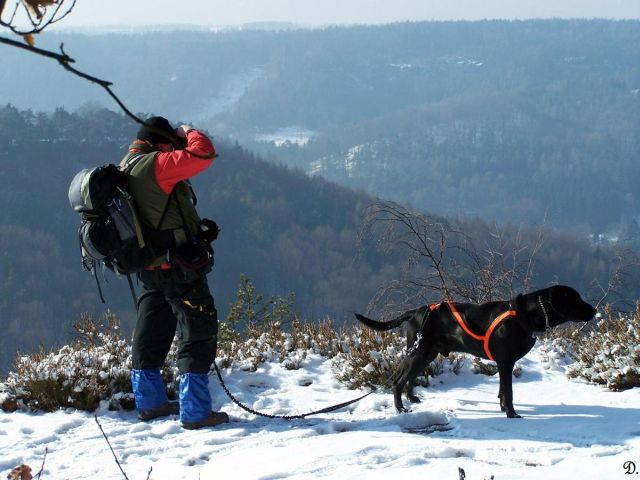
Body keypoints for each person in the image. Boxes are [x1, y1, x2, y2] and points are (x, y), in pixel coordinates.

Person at [122, 116, 228, 430]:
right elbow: (202, 153)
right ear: (161, 141)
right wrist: (188, 131)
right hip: (178, 269)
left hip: (150, 267)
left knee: (151, 330)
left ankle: (150, 403)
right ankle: (196, 412)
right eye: (171, 142)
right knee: (198, 330)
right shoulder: (156, 165)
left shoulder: (127, 165)